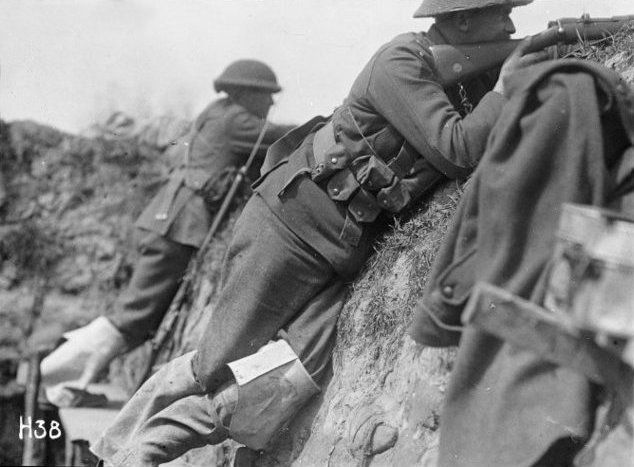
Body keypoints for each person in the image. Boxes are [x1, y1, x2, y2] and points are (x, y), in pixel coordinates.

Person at [93, 1, 547, 464]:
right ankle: (117, 448)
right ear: (464, 20)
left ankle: (153, 449)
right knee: (214, 362)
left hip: (344, 252)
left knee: (296, 375)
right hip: (289, 227)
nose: (511, 23)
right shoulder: (401, 62)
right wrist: (506, 87)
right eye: (502, 13)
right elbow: (456, 148)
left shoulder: (468, 75)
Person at [40, 60, 295, 399]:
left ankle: (64, 384)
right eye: (267, 96)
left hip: (168, 218)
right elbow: (285, 139)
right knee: (134, 315)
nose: (271, 104)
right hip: (180, 224)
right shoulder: (237, 121)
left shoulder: (217, 113)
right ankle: (55, 376)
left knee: (138, 314)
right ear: (247, 94)